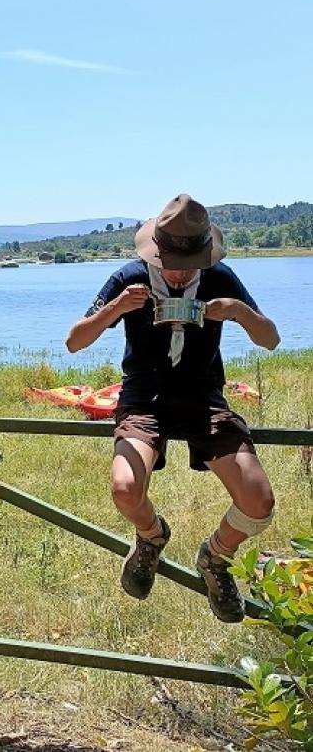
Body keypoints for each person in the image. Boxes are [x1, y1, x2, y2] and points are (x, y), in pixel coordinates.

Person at [65, 194, 280, 623]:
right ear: (154, 252)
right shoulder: (128, 278)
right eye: (171, 262)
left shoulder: (220, 278)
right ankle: (151, 535)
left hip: (204, 400)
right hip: (145, 400)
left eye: (191, 262)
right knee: (125, 489)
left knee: (258, 501)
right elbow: (74, 341)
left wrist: (238, 312)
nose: (180, 272)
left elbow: (270, 340)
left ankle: (216, 557)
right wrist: (116, 308)